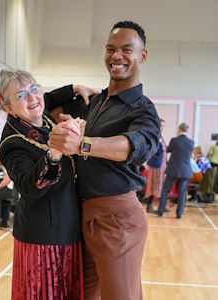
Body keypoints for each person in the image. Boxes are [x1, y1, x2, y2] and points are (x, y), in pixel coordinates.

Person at [49, 21, 160, 300]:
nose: (116, 56)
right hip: (84, 216)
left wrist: (83, 144)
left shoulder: (143, 109)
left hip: (117, 220)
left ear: (142, 55)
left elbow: (136, 146)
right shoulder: (96, 101)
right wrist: (74, 87)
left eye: (126, 49)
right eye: (111, 49)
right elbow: (46, 106)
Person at [0, 69, 98, 299]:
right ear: (9, 107)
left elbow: (49, 97)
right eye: (22, 95)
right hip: (43, 239)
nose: (33, 98)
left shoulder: (44, 115)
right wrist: (54, 151)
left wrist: (74, 88)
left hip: (68, 230)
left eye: (35, 89)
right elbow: (29, 186)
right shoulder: (11, 143)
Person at [156, 123, 194, 218]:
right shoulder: (191, 142)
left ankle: (160, 211)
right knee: (182, 193)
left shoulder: (174, 140)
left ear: (179, 129)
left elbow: (168, 150)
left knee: (165, 190)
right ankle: (179, 214)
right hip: (185, 171)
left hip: (173, 170)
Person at [145, 118, 167, 212]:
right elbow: (153, 150)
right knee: (154, 185)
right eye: (161, 125)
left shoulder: (160, 137)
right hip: (156, 166)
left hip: (161, 166)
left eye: (164, 126)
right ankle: (149, 206)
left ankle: (161, 206)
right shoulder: (155, 136)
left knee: (159, 185)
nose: (162, 127)